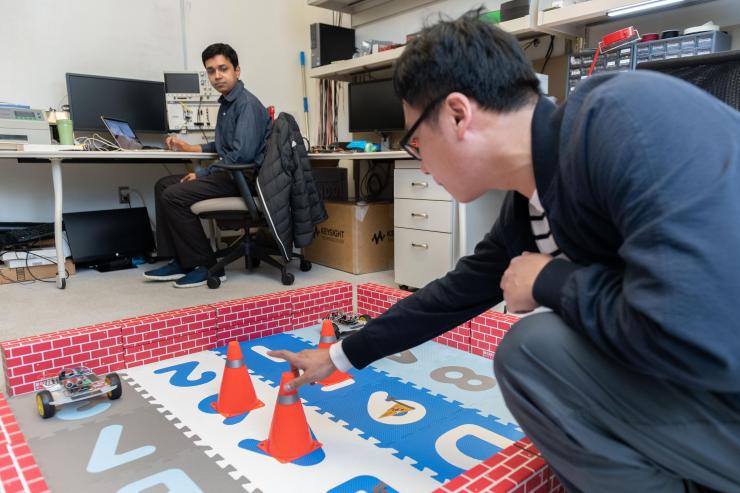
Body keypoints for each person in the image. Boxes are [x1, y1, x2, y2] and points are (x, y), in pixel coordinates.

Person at [268, 10, 740, 492]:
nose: (423, 165)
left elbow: (695, 330)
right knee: (540, 346)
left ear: (457, 115)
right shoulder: (534, 197)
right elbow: (454, 294)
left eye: (415, 144)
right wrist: (340, 355)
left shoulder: (621, 118)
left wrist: (548, 282)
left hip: (720, 376)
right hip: (702, 389)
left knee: (532, 351)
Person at [144, 43, 271, 288]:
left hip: (242, 178)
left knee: (173, 195)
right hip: (229, 174)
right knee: (163, 185)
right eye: (211, 71)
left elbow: (240, 156)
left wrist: (202, 174)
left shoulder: (247, 105)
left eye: (223, 69)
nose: (217, 76)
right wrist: (191, 148)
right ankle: (180, 260)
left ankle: (206, 266)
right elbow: (224, 145)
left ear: (237, 70)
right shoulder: (227, 104)